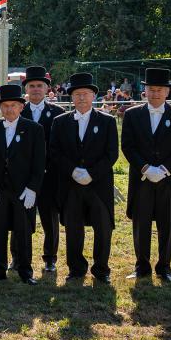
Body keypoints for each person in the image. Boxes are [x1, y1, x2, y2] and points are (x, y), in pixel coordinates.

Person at [122, 68, 171, 283]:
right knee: (141, 224)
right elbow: (128, 146)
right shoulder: (132, 114)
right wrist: (145, 168)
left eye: (159, 90)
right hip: (141, 179)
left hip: (169, 180)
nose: (155, 94)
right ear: (145, 91)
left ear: (167, 92)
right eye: (151, 89)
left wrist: (163, 170)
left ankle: (164, 268)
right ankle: (141, 266)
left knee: (167, 224)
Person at [48, 74, 119, 283]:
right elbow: (54, 151)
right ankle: (76, 269)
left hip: (99, 185)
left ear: (93, 95)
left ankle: (101, 269)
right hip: (71, 185)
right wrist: (72, 171)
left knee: (103, 228)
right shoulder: (60, 122)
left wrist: (91, 173)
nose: (81, 98)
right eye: (77, 94)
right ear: (71, 97)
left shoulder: (107, 121)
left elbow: (111, 154)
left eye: (85, 94)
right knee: (73, 228)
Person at [0, 84, 45, 285]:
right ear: (0, 107)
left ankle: (25, 272)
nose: (9, 109)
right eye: (5, 106)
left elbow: (39, 163)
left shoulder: (34, 129)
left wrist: (32, 188)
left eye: (13, 105)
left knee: (23, 232)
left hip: (22, 190)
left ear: (21, 106)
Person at [20, 66, 65, 273]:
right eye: (32, 86)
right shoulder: (19, 111)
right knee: (21, 218)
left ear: (47, 88)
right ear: (26, 89)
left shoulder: (58, 113)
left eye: (40, 85)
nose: (36, 89)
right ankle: (18, 256)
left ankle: (50, 258)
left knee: (50, 218)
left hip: (49, 174)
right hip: (23, 175)